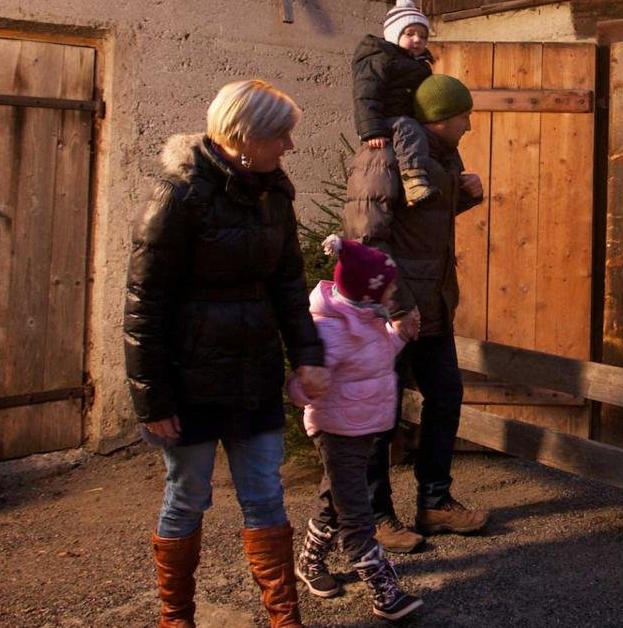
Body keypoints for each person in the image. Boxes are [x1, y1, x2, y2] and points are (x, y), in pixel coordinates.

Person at [124, 80, 328, 628]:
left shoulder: (275, 193)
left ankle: (286, 619)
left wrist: (307, 355)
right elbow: (145, 306)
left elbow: (289, 284)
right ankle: (177, 618)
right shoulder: (179, 196)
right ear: (243, 137)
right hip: (187, 384)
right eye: (280, 135)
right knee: (187, 497)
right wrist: (152, 399)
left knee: (265, 495)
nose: (289, 146)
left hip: (253, 376)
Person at [342, 74, 488, 554]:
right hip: (391, 311)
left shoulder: (439, 155)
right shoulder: (383, 155)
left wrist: (465, 194)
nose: (469, 125)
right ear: (442, 117)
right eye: (464, 115)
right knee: (378, 414)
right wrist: (398, 305)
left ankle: (434, 503)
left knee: (445, 396)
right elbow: (366, 238)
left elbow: (422, 219)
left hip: (432, 306)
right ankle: (376, 516)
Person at [288, 234, 423, 621]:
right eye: (389, 286)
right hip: (336, 430)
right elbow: (304, 383)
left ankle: (310, 561)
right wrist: (304, 385)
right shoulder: (331, 330)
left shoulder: (367, 317)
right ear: (369, 293)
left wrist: (399, 335)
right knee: (356, 513)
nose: (394, 291)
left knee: (335, 497)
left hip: (361, 426)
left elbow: (373, 358)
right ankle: (384, 591)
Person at [352, 0, 438, 207]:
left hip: (407, 117)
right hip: (389, 119)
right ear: (394, 34)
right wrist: (373, 130)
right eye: (410, 34)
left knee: (422, 134)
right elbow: (366, 93)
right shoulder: (380, 58)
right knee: (408, 129)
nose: (417, 39)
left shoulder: (420, 64)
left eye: (423, 36)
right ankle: (414, 181)